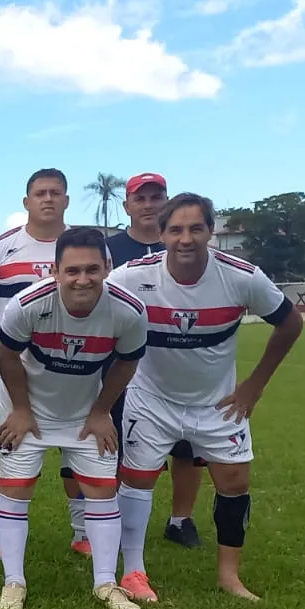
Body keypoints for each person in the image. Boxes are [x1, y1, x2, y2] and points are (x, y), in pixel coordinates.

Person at [109, 193, 302, 602]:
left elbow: (290, 322)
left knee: (235, 481)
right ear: (161, 234)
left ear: (210, 231)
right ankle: (134, 571)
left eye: (196, 228)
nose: (186, 239)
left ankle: (229, 576)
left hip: (219, 404)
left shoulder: (242, 277)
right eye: (176, 229)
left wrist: (254, 385)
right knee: (137, 479)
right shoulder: (132, 276)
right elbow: (95, 306)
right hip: (151, 399)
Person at [0, 227, 148, 609]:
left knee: (102, 492)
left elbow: (128, 362)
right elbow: (6, 356)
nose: (82, 279)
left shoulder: (129, 310)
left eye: (92, 269)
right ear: (55, 271)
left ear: (107, 267)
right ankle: (13, 582)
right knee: (15, 490)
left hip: (84, 412)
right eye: (72, 270)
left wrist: (101, 411)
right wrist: (21, 410)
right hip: (28, 409)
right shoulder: (27, 304)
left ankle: (105, 584)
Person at [0, 168, 92, 555]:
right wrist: (13, 340)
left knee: (78, 447)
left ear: (66, 200)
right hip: (16, 369)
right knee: (12, 444)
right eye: (40, 193)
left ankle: (83, 532)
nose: (48, 199)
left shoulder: (86, 246)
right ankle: (3, 535)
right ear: (26, 201)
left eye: (55, 192)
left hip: (76, 367)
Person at [104, 173, 206, 549]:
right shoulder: (110, 249)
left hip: (181, 363)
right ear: (127, 205)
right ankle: (115, 519)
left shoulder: (185, 247)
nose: (148, 205)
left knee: (188, 447)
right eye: (140, 198)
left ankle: (180, 519)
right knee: (119, 445)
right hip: (124, 366)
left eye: (155, 197)